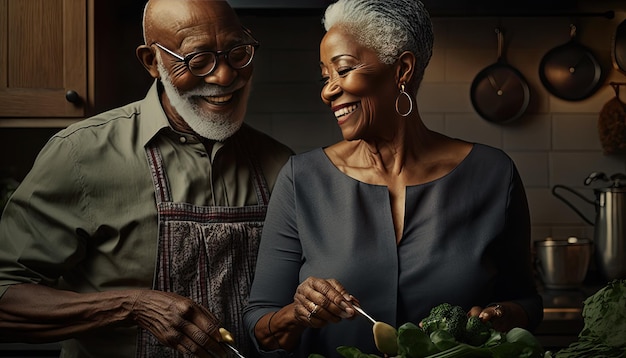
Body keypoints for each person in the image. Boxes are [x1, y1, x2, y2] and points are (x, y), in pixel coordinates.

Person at [242, 0, 543, 356]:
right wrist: (296, 313)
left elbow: (526, 302)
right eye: (326, 76)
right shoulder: (301, 179)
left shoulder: (494, 174)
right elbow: (259, 324)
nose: (328, 91)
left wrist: (503, 315)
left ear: (402, 69)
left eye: (343, 70)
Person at [0, 0, 293, 357]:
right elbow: (5, 293)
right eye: (197, 60)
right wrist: (131, 306)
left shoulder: (281, 165)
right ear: (152, 61)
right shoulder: (80, 153)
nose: (224, 75)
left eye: (237, 52)